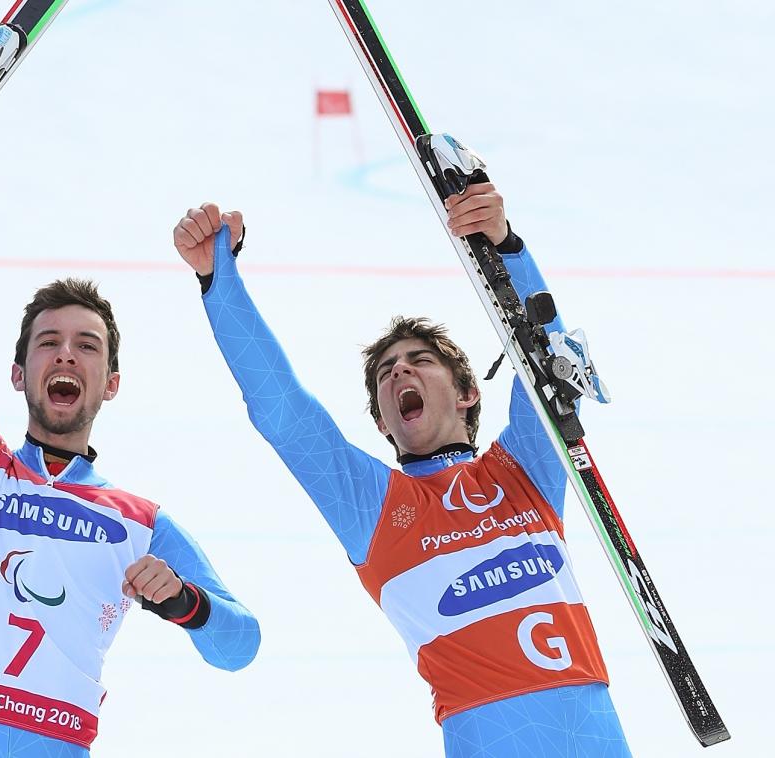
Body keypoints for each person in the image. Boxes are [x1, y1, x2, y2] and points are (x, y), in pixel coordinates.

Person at [172, 191, 630, 756]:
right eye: (386, 372)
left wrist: (505, 244)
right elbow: (284, 414)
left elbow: (550, 358)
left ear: (466, 393)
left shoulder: (524, 470)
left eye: (420, 361)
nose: (400, 372)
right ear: (384, 424)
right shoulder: (371, 504)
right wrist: (220, 282)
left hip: (599, 733)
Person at [0, 81, 260, 758]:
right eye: (48, 342)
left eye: (87, 346)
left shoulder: (139, 522)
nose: (66, 353)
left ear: (111, 384)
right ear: (19, 374)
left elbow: (241, 644)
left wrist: (184, 601)